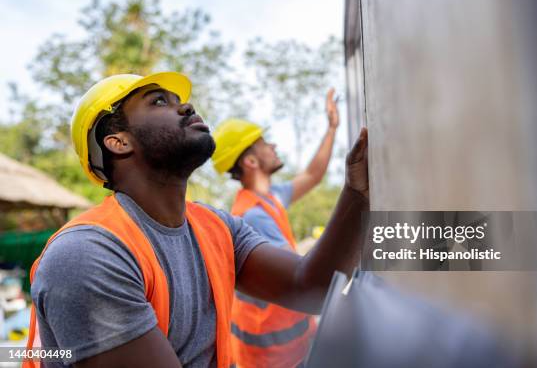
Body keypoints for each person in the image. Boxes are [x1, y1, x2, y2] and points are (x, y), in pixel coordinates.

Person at [24, 72, 368, 368]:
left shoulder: (216, 227)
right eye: (159, 101)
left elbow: (310, 287)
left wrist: (358, 193)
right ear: (118, 142)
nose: (187, 106)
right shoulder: (89, 254)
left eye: (179, 100)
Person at [211, 89, 340, 368]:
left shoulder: (270, 198)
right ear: (251, 162)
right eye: (264, 143)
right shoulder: (254, 216)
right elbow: (303, 279)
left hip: (291, 345)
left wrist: (331, 129)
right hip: (272, 356)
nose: (274, 146)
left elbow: (313, 175)